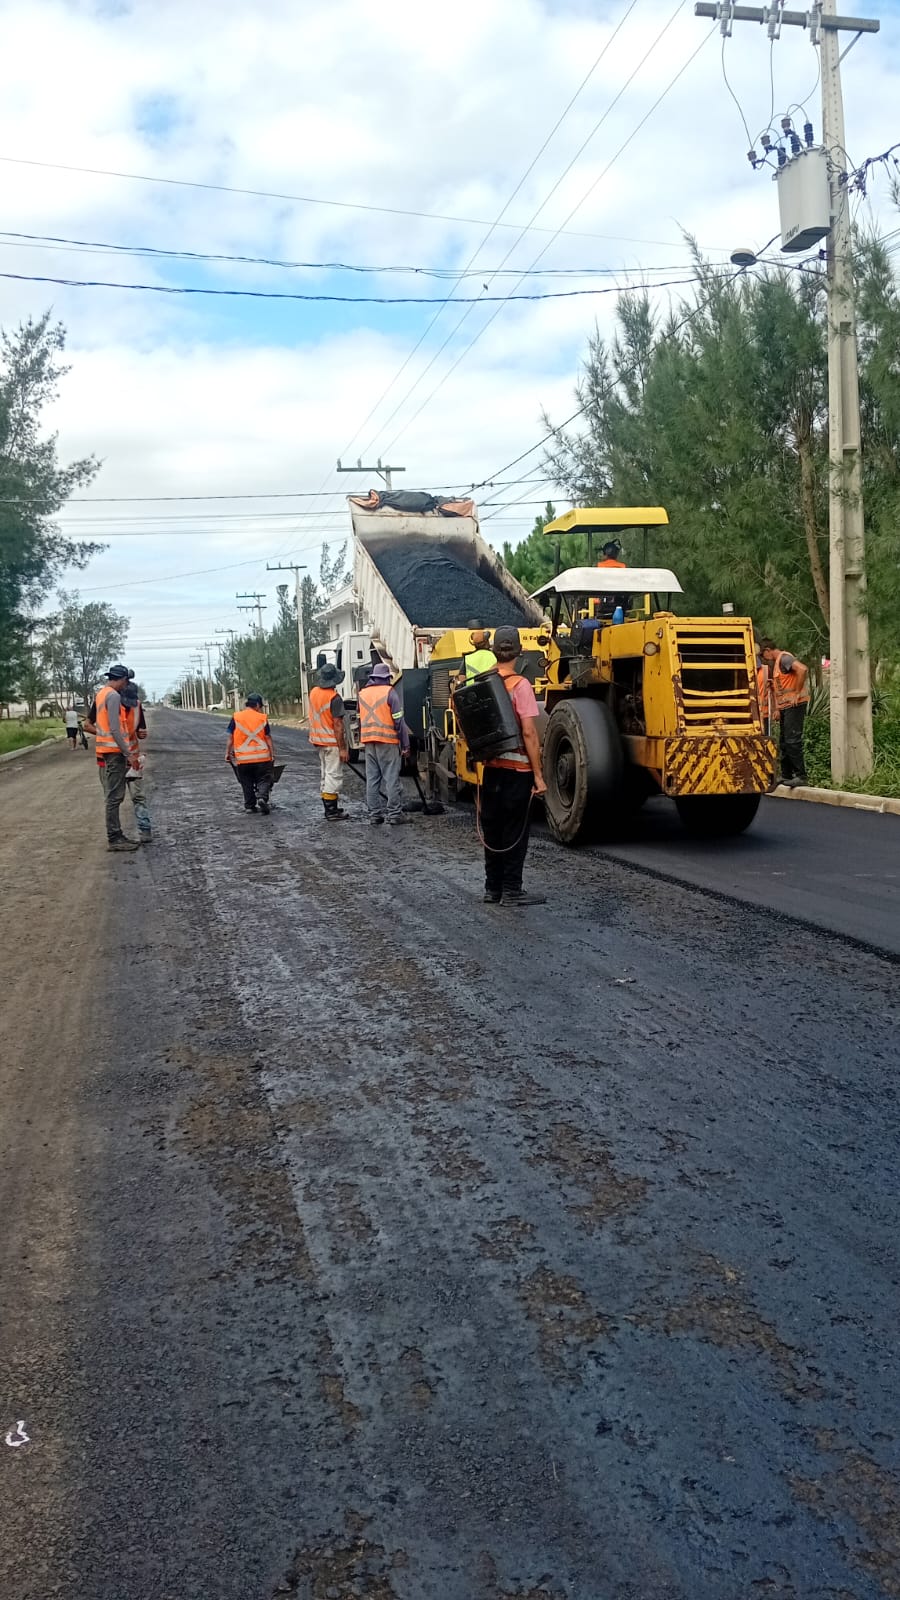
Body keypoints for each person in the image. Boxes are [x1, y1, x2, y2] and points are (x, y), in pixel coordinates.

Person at [479, 625, 547, 906]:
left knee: (492, 829)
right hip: (518, 772)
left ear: (494, 651)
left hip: (492, 769)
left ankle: (492, 889)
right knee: (514, 832)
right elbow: (529, 733)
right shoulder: (521, 685)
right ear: (519, 652)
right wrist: (539, 776)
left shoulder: (484, 683)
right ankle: (511, 891)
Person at [90, 664, 142, 851]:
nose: (125, 685)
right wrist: (128, 753)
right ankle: (114, 838)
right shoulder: (113, 696)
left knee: (113, 796)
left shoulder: (101, 693)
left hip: (108, 751)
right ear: (121, 679)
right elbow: (114, 728)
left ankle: (117, 835)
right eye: (125, 681)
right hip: (114, 753)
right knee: (114, 796)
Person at [358, 662, 410, 826]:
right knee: (391, 778)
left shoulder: (362, 694)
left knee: (372, 779)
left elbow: (360, 719)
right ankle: (395, 814)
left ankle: (375, 815)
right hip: (387, 741)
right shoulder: (390, 692)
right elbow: (399, 721)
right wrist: (406, 744)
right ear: (386, 678)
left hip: (368, 741)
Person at [760, 639, 809, 787]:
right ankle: (787, 775)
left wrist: (796, 692)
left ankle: (801, 775)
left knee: (792, 740)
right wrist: (777, 709)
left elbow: (802, 669)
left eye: (763, 654)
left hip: (795, 704)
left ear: (768, 650)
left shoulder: (784, 658)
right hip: (786, 707)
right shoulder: (776, 664)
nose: (763, 658)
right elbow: (779, 688)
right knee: (784, 741)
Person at [308, 662, 349, 821]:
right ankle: (331, 812)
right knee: (334, 775)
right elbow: (338, 726)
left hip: (318, 741)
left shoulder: (313, 693)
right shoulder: (334, 698)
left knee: (325, 774)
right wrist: (343, 748)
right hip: (331, 742)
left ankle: (330, 807)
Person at [227, 693, 275, 814]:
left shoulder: (236, 717)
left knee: (246, 781)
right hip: (262, 758)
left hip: (243, 759)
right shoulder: (262, 717)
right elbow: (268, 737)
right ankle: (262, 798)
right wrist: (272, 754)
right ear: (257, 705)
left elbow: (231, 738)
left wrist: (227, 753)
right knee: (264, 779)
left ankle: (249, 806)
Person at [120, 682, 153, 842]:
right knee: (113, 799)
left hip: (133, 760)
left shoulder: (137, 706)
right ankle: (116, 835)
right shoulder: (108, 706)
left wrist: (142, 734)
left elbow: (141, 730)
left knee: (138, 796)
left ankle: (145, 830)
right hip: (114, 760)